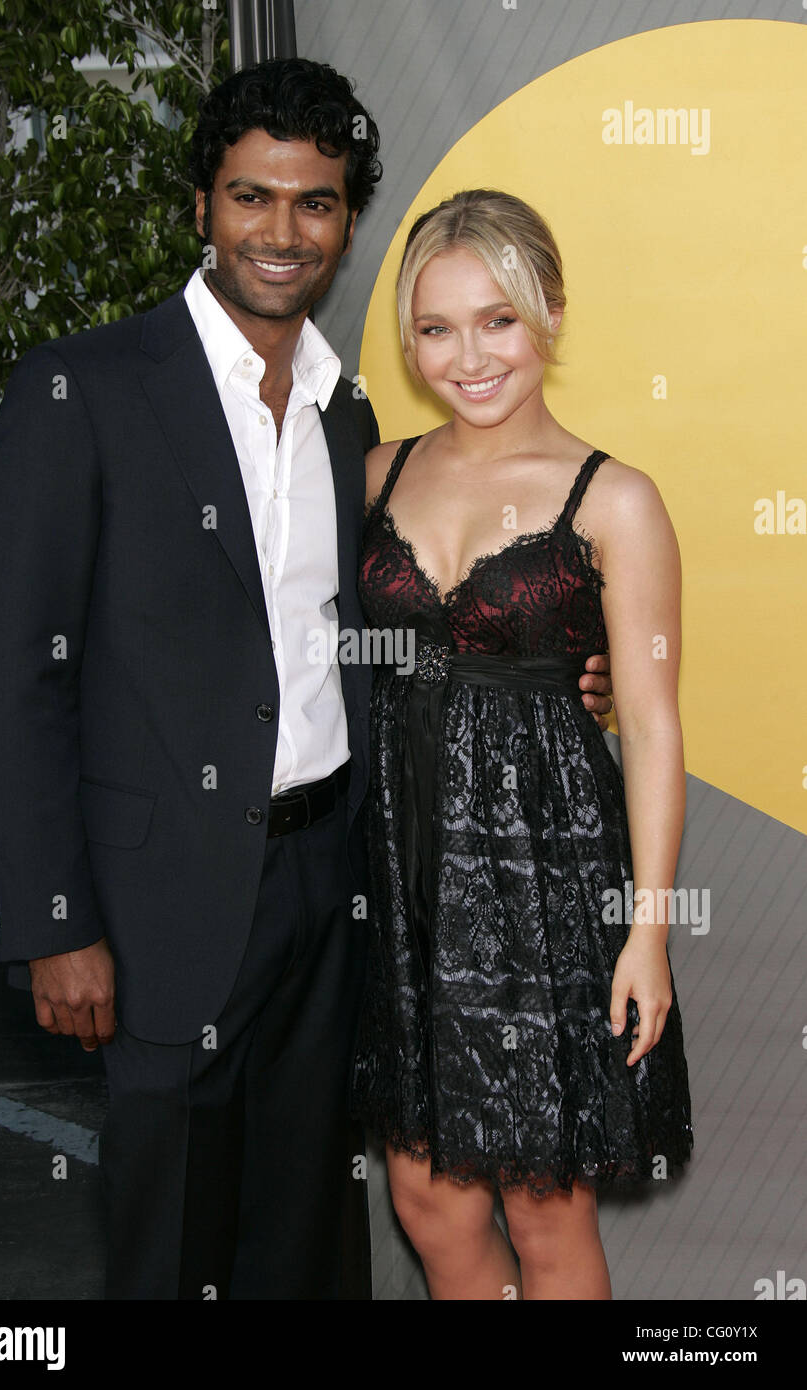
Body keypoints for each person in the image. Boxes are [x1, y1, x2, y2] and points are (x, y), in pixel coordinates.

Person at [0, 58, 614, 1301]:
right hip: (156, 902)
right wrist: (56, 924)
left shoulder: (349, 418)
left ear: (346, 221)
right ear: (200, 205)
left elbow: (403, 622)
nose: (279, 230)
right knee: (172, 1239)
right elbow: (10, 677)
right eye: (249, 196)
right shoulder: (81, 389)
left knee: (309, 1238)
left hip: (338, 884)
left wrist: (555, 681)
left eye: (312, 202)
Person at [351, 188, 693, 1301]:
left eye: (496, 319)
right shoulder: (372, 474)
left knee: (545, 1210)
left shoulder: (615, 500)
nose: (469, 355)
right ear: (409, 341)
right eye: (438, 328)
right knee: (426, 1200)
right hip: (401, 876)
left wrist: (645, 931)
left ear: (548, 308)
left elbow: (645, 721)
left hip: (540, 881)